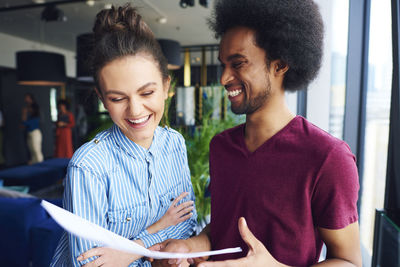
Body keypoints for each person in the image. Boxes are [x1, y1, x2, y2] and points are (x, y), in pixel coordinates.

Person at [155, 0, 362, 266]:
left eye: (238, 63)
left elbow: (349, 261)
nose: (224, 78)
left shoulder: (328, 157)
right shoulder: (222, 146)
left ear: (280, 64)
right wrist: (188, 247)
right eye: (223, 64)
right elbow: (221, 229)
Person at [50, 4, 197, 267]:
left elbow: (186, 227)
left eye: (147, 93)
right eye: (118, 98)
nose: (136, 110)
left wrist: (130, 250)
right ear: (102, 100)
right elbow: (92, 264)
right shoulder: (89, 166)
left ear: (166, 87)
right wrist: (157, 233)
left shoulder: (175, 144)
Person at [21, 93, 44, 164]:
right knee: (32, 152)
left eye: (30, 108)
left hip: (35, 133)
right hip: (29, 134)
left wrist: (24, 113)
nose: (29, 109)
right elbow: (23, 124)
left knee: (36, 151)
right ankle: (35, 168)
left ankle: (42, 167)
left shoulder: (36, 118)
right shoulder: (30, 117)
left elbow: (24, 124)